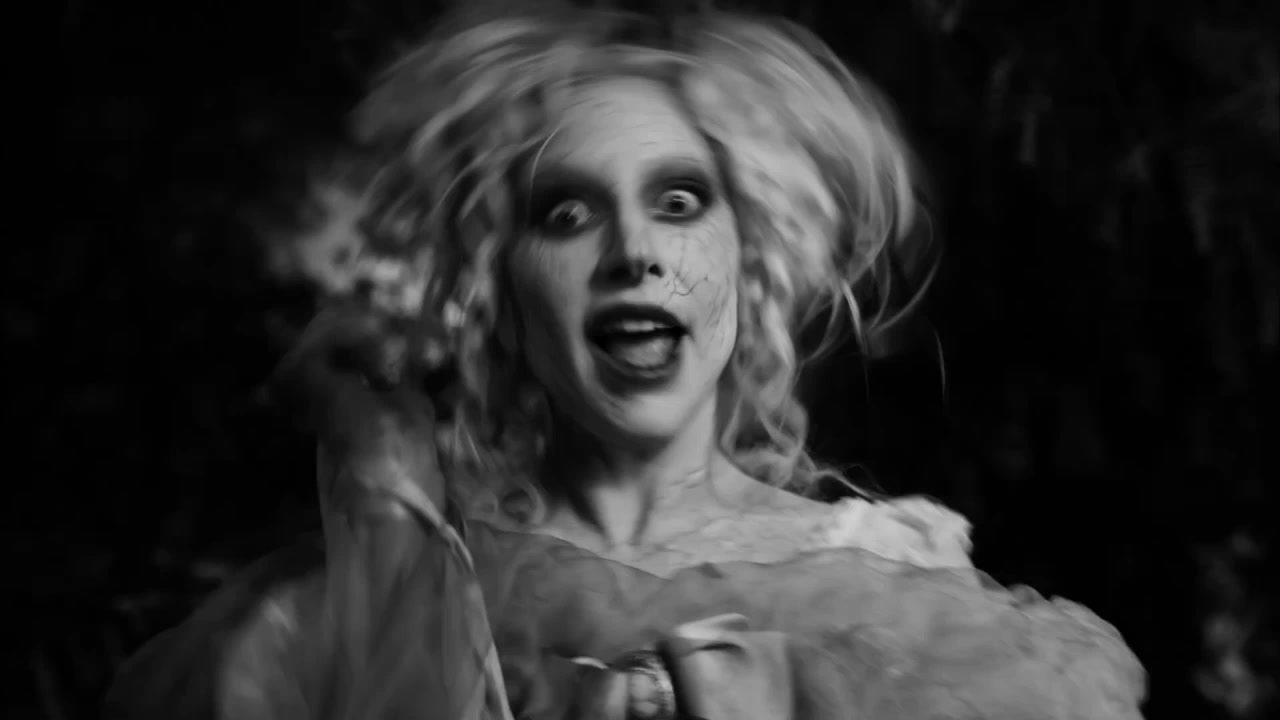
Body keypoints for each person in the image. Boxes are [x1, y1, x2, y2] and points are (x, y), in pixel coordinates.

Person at [106, 4, 1147, 719]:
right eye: (566, 213)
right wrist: (390, 532)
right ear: (501, 288)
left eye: (679, 201)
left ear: (748, 258)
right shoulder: (381, 589)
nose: (634, 252)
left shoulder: (899, 586)